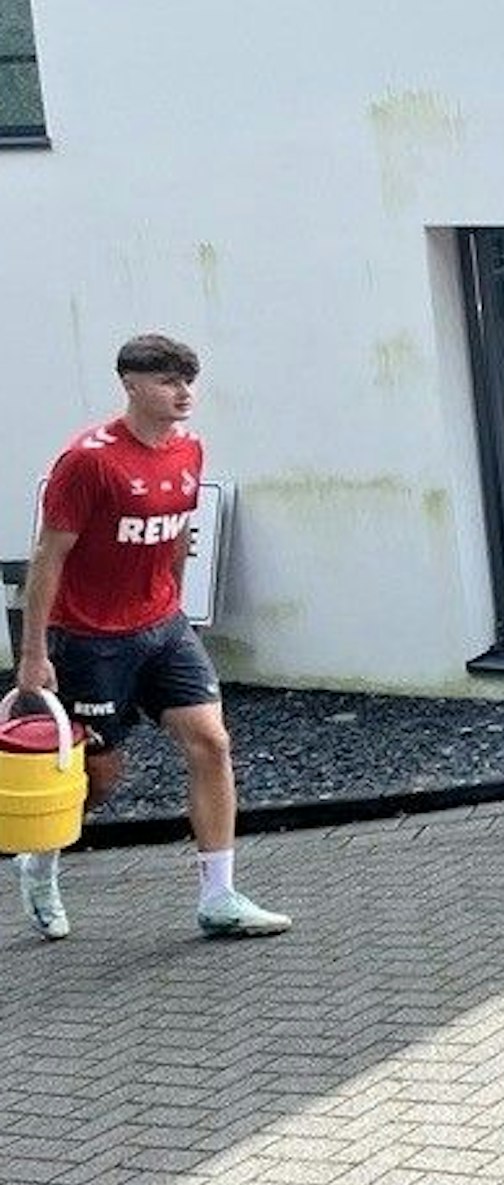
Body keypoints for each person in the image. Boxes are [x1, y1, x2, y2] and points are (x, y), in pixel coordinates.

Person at [11, 334, 291, 942]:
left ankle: (219, 897)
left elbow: (176, 534)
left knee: (211, 742)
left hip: (162, 628)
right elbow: (48, 557)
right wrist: (33, 655)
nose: (183, 393)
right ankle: (40, 863)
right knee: (98, 778)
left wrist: (179, 613)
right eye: (168, 381)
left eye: (188, 380)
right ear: (131, 385)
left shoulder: (189, 449)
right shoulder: (88, 462)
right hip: (88, 640)